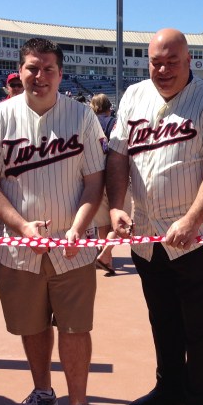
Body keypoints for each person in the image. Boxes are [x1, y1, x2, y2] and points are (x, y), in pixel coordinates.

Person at [107, 28, 203, 405]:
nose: (162, 69)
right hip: (147, 233)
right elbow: (117, 156)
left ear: (189, 63)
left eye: (171, 61)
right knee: (161, 318)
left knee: (198, 327)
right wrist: (116, 206)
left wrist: (193, 218)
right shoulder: (133, 96)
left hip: (195, 236)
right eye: (155, 62)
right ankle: (169, 386)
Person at [0, 38, 107, 405]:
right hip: (19, 248)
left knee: (75, 328)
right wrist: (19, 225)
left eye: (48, 69)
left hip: (72, 246)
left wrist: (80, 227)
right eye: (32, 68)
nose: (40, 76)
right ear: (19, 70)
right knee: (31, 325)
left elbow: (94, 180)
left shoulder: (82, 117)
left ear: (61, 74)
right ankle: (44, 391)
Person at [89, 93, 117, 274]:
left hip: (94, 179)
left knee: (102, 224)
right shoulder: (111, 122)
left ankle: (106, 258)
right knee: (123, 224)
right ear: (109, 108)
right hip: (113, 178)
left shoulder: (88, 122)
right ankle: (106, 254)